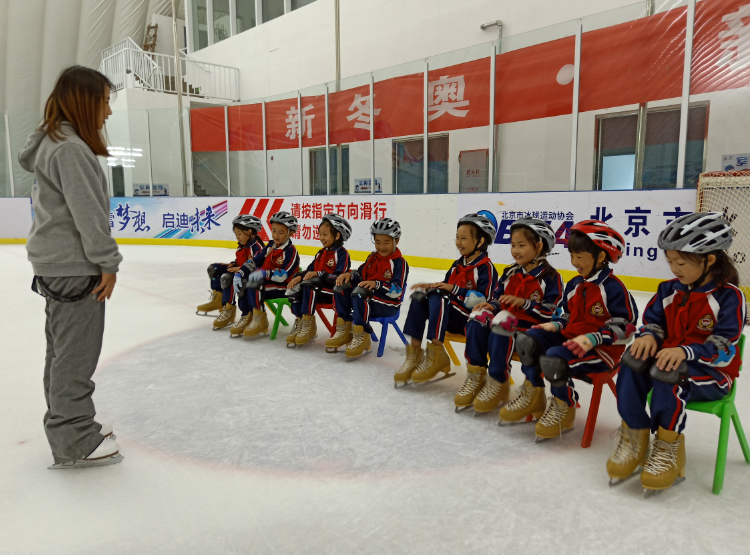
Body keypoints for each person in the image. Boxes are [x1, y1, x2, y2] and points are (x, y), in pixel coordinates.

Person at [18, 66, 123, 468]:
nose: (108, 112)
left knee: (62, 352)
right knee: (76, 354)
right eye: (105, 101)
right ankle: (75, 437)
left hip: (57, 262)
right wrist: (107, 262)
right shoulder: (70, 149)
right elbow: (88, 215)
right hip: (74, 264)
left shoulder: (54, 142)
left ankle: (71, 426)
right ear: (86, 100)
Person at [607, 213, 746, 495]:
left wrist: (686, 352)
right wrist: (649, 335)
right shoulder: (668, 289)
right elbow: (654, 320)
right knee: (631, 361)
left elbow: (724, 348)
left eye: (681, 262)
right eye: (670, 261)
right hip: (667, 363)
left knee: (670, 373)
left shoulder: (729, 296)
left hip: (712, 374)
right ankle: (635, 436)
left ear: (710, 259)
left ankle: (668, 446)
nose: (674, 268)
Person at [513, 220, 638, 441]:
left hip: (602, 352)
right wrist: (554, 325)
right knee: (528, 339)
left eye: (580, 257)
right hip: (572, 341)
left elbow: (626, 329)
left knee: (553, 358)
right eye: (572, 256)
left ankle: (565, 404)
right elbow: (567, 316)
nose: (574, 262)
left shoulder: (613, 288)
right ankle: (534, 392)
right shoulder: (574, 285)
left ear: (600, 256)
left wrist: (594, 338)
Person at [458, 218, 563, 414]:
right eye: (513, 245)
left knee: (502, 322)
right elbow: (498, 298)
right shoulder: (510, 272)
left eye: (521, 245)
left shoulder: (551, 277)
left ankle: (499, 382)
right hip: (504, 324)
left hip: (529, 332)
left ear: (539, 246)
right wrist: (491, 305)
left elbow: (551, 312)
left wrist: (525, 304)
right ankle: (476, 375)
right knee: (477, 318)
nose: (515, 250)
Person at [395, 213, 498, 386]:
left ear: (480, 242)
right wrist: (431, 285)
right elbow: (447, 286)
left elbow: (483, 300)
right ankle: (414, 356)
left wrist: (453, 289)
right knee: (420, 297)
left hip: (469, 320)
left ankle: (436, 355)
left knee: (440, 295)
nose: (458, 242)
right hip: (448, 314)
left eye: (464, 238)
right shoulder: (457, 264)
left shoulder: (486, 268)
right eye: (457, 237)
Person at [328, 218, 408, 360]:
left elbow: (397, 291)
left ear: (397, 240)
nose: (381, 247)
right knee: (341, 287)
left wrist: (377, 284)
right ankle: (345, 329)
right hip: (367, 300)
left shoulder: (399, 263)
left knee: (360, 293)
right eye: (377, 242)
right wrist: (349, 275)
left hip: (388, 304)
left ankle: (362, 335)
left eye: (386, 242)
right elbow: (360, 274)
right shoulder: (373, 257)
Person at [286, 214, 352, 347]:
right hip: (315, 291)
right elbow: (309, 270)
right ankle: (300, 322)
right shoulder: (321, 253)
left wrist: (319, 274)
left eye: (325, 234)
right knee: (296, 290)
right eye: (320, 234)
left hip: (332, 293)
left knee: (310, 285)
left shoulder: (342, 254)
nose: (321, 238)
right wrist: (298, 276)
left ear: (337, 235)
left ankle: (308, 324)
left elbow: (337, 278)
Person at [235, 211, 300, 338]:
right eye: (274, 231)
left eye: (281, 232)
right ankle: (247, 316)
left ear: (291, 233)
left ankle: (260, 319)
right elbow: (254, 261)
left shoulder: (291, 251)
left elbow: (283, 275)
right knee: (244, 282)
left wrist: (265, 273)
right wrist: (240, 273)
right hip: (267, 284)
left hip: (285, 287)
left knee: (254, 284)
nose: (276, 235)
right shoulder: (270, 246)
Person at [197, 214, 264, 332]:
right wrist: (233, 264)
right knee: (214, 268)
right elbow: (240, 261)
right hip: (240, 271)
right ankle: (218, 299)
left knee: (227, 277)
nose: (237, 237)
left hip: (251, 276)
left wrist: (240, 269)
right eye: (236, 234)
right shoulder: (243, 246)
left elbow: (258, 265)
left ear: (249, 232)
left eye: (239, 234)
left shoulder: (256, 247)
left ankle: (229, 308)